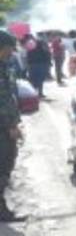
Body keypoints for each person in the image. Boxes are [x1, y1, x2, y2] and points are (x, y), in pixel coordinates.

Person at [0, 31, 22, 223]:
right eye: (8, 49)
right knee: (4, 163)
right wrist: (11, 125)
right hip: (2, 126)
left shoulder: (5, 65)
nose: (10, 52)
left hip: (5, 124)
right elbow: (2, 100)